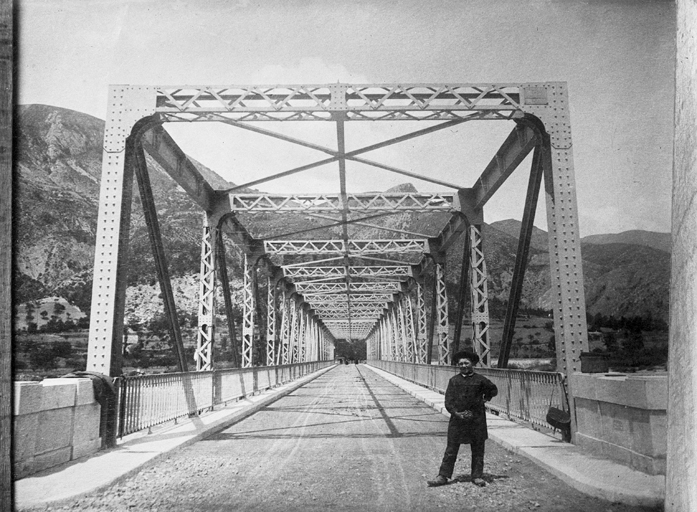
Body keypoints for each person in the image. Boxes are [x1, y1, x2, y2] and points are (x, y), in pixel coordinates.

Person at [427, 350, 498, 488]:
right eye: (460, 364)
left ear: (472, 364)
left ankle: (477, 476)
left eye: (466, 363)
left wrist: (486, 398)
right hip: (458, 420)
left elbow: (493, 389)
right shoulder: (454, 381)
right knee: (451, 448)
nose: (464, 366)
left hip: (476, 419)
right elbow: (448, 401)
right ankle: (443, 476)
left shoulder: (481, 380)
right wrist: (456, 413)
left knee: (478, 448)